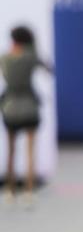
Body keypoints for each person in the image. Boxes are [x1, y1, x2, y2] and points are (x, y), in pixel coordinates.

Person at [1, 25, 53, 206]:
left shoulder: (5, 58)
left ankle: (10, 190)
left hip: (10, 107)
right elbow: (49, 68)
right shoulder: (31, 57)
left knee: (11, 151)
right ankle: (29, 191)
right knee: (30, 151)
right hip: (30, 107)